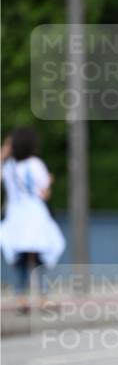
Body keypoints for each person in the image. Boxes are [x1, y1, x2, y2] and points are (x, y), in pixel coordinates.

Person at [0, 127, 66, 313]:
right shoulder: (35, 164)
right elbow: (44, 193)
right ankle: (43, 299)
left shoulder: (9, 167)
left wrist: (3, 154)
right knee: (39, 259)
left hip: (16, 217)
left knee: (20, 259)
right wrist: (49, 182)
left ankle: (21, 299)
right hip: (35, 215)